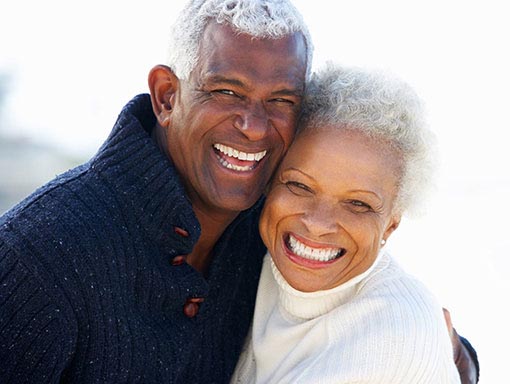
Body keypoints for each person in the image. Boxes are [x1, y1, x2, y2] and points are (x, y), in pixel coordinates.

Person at [0, 0, 478, 383]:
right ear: (167, 95)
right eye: (227, 92)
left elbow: (364, 306)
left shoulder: (272, 225)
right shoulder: (38, 253)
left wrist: (451, 356)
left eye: (281, 100)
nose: (253, 127)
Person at [231, 64, 475, 383]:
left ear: (391, 225)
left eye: (358, 204)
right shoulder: (247, 258)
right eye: (299, 186)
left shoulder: (396, 332)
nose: (318, 224)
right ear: (269, 184)